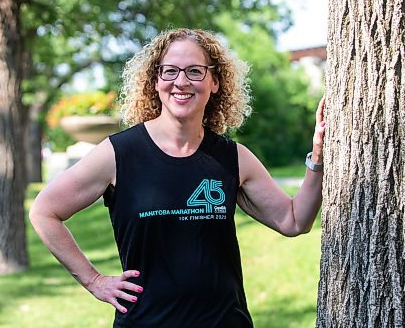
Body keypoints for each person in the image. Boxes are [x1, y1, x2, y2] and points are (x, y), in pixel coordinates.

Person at [29, 28, 325, 328]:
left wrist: (317, 158)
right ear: (155, 80)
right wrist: (94, 280)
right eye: (170, 71)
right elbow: (44, 211)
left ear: (215, 82)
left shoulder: (232, 158)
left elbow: (294, 221)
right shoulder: (118, 154)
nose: (181, 81)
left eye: (195, 71)